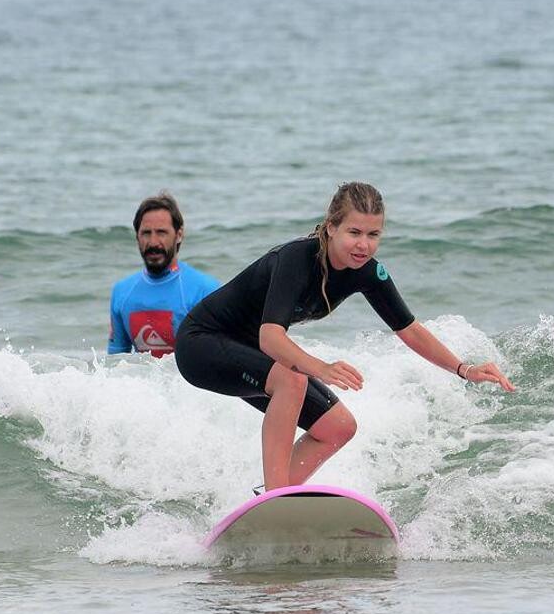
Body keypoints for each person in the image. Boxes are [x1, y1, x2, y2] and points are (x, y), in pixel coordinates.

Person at [175, 182, 514, 491]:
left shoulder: (366, 272)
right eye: (354, 231)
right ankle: (278, 498)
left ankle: (264, 501)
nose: (363, 244)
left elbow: (409, 329)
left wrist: (463, 369)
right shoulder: (296, 259)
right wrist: (320, 367)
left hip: (249, 352)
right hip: (201, 344)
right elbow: (270, 339)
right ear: (332, 227)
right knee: (291, 381)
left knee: (337, 427)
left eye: (373, 234)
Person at [108, 192, 220, 357]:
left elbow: (217, 359)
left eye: (161, 232)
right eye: (146, 233)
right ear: (137, 236)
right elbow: (115, 362)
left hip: (184, 383)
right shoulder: (122, 293)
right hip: (143, 382)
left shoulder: (206, 290)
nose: (153, 242)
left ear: (179, 235)